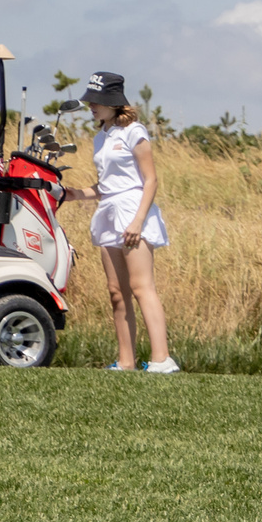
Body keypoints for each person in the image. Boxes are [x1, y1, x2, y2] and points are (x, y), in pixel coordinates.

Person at [60, 71, 176, 373]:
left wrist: (138, 221)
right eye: (90, 101)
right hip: (109, 213)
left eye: (98, 101)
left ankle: (162, 360)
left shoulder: (134, 132)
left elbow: (150, 179)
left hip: (133, 211)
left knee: (141, 286)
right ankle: (126, 362)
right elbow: (105, 185)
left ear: (115, 102)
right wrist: (77, 194)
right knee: (116, 291)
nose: (92, 106)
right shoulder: (101, 137)